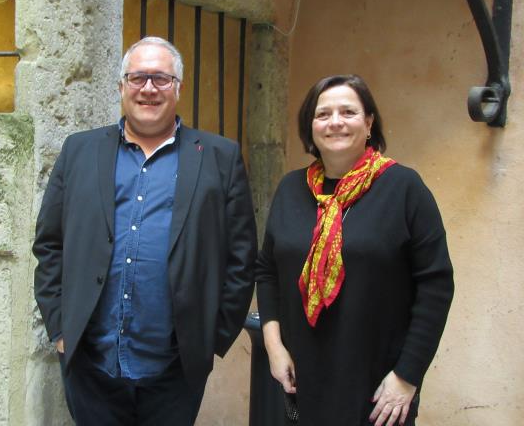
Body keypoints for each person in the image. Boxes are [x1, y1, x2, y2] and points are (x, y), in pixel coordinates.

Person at [33, 36, 257, 425]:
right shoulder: (79, 151)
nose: (149, 88)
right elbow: (50, 244)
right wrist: (60, 330)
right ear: (121, 87)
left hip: (176, 368)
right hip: (91, 362)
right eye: (137, 78)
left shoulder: (220, 157)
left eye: (161, 78)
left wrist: (212, 339)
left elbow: (241, 257)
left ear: (179, 88)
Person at [255, 74, 454, 426]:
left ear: (369, 122)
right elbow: (268, 270)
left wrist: (407, 377)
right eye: (323, 114)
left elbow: (436, 286)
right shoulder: (291, 189)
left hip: (378, 389)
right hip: (301, 380)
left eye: (348, 111)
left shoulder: (403, 188)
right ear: (310, 126)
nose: (335, 122)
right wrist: (274, 347)